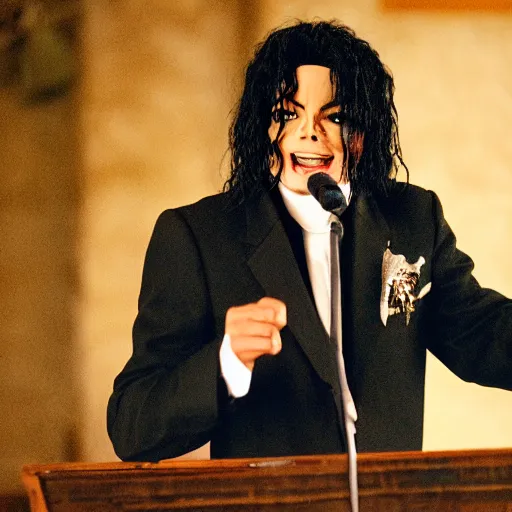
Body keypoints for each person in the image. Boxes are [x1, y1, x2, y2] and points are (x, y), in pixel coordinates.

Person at [107, 20, 512, 462]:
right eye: (287, 113)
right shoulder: (198, 236)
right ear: (262, 125)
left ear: (365, 129)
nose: (309, 131)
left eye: (334, 116)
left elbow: (482, 334)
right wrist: (224, 361)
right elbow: (133, 426)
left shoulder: (414, 218)